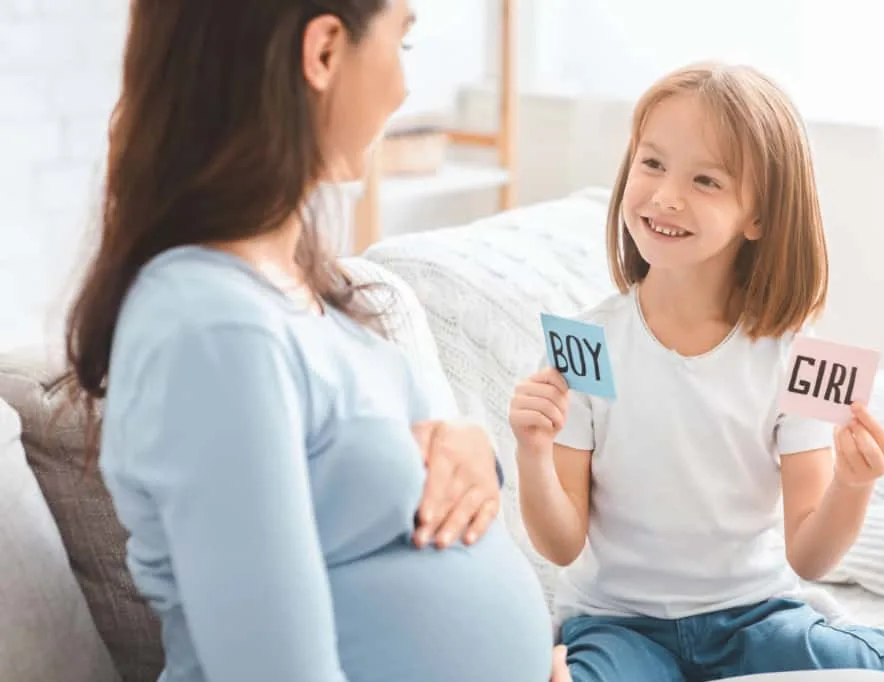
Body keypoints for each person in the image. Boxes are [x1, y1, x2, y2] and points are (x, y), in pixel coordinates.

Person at [61, 2, 569, 681]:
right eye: (403, 42)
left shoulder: (310, 296)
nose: (405, 88)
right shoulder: (212, 329)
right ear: (325, 51)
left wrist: (477, 457)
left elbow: (412, 471)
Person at [509, 63, 884, 682]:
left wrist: (852, 484)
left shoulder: (801, 353)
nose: (665, 196)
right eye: (651, 163)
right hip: (617, 624)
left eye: (705, 180)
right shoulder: (586, 342)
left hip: (754, 617)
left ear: (759, 218)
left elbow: (810, 557)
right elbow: (561, 545)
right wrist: (531, 451)